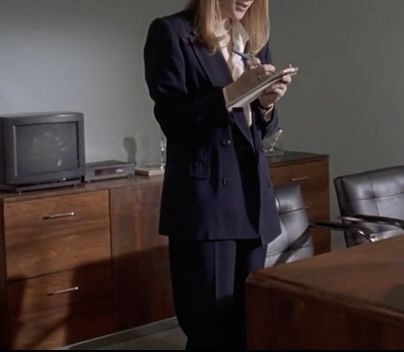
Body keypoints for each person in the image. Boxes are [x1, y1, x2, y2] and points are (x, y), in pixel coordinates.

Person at [143, 0, 293, 349]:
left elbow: (260, 132)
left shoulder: (251, 40)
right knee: (209, 329)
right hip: (207, 205)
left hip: (252, 201)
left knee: (248, 323)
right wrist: (232, 93)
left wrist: (267, 103)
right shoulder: (172, 33)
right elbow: (173, 120)